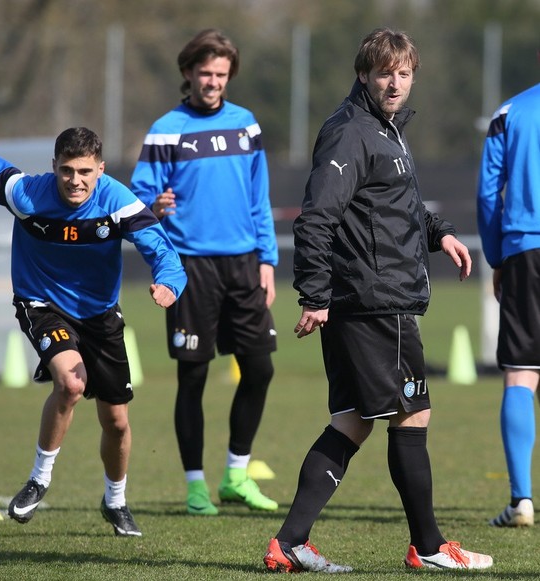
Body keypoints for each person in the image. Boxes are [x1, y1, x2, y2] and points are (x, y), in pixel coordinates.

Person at [263, 28, 494, 572]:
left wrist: (439, 233)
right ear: (364, 74)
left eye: (405, 73)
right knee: (412, 414)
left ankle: (290, 542)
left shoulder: (384, 130)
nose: (395, 83)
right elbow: (318, 218)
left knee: (353, 418)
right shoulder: (351, 133)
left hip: (369, 297)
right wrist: (315, 294)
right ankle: (430, 548)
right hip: (372, 300)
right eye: (385, 72)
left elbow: (395, 203)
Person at [0, 127, 187, 536]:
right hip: (40, 304)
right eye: (66, 170)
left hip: (99, 314)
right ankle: (39, 479)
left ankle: (115, 501)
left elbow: (161, 249)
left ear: (100, 169)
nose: (75, 180)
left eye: (84, 171)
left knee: (116, 421)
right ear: (54, 167)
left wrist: (169, 282)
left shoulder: (118, 202)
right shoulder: (25, 194)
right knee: (70, 382)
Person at [130, 28, 278, 516]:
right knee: (192, 377)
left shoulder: (247, 125)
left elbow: (259, 199)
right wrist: (156, 205)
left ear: (229, 75)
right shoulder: (165, 130)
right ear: (188, 73)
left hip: (243, 265)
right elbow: (138, 203)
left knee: (259, 368)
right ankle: (195, 486)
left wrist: (268, 261)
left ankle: (237, 474)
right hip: (189, 267)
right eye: (205, 73)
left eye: (221, 74)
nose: (213, 82)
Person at [477, 74, 540, 527]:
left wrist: (497, 255)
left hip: (525, 251)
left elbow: (487, 193)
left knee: (522, 373)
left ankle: (521, 500)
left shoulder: (510, 112)